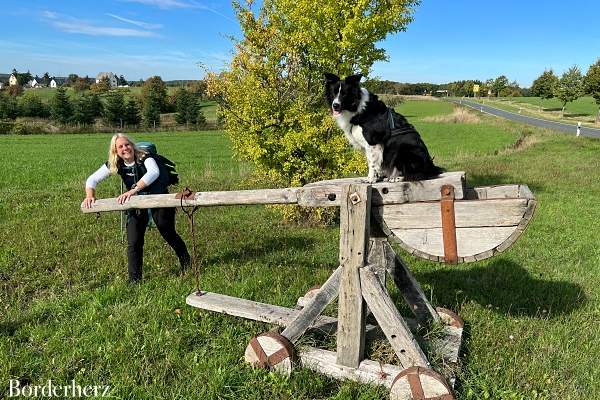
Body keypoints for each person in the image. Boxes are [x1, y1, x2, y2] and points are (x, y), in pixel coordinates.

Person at [82, 133, 190, 282]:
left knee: (168, 232)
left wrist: (133, 190)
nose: (125, 148)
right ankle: (135, 280)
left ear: (132, 145)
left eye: (127, 144)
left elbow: (154, 172)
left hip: (158, 199)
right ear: (115, 151)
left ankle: (186, 263)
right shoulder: (116, 163)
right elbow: (92, 179)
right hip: (135, 204)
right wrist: (90, 195)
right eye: (120, 146)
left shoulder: (145, 157)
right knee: (134, 241)